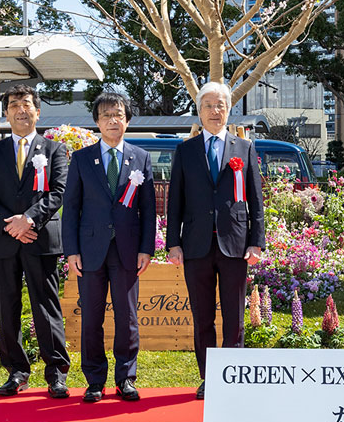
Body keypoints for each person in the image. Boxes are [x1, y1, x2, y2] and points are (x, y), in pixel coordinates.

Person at [166, 82, 265, 399]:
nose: (214, 111)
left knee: (235, 317)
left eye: (220, 105)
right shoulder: (185, 150)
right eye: (208, 105)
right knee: (203, 317)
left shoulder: (243, 148)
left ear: (228, 109)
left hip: (235, 244)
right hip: (195, 246)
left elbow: (256, 199)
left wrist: (256, 241)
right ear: (199, 109)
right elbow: (175, 201)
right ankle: (209, 378)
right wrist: (173, 242)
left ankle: (232, 377)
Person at [0, 84, 71, 398]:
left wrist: (28, 219)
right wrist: (10, 225)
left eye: (27, 103)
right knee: (8, 308)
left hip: (40, 238)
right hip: (5, 241)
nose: (21, 109)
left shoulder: (54, 150)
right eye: (14, 104)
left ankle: (56, 373)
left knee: (46, 307)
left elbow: (57, 191)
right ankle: (16, 371)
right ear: (5, 114)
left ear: (37, 111)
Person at [62, 92, 156, 403]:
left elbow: (148, 209)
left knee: (127, 316)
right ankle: (94, 380)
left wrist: (146, 249)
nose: (112, 120)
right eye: (106, 115)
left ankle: (126, 378)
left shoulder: (140, 157)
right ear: (97, 123)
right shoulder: (81, 159)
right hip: (90, 251)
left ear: (127, 120)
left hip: (128, 250)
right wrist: (71, 251)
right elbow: (71, 207)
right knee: (91, 317)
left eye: (118, 114)